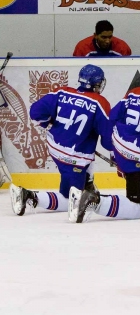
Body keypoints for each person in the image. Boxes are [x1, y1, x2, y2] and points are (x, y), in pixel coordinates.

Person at [68, 65, 140, 223]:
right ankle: (93, 201)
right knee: (138, 208)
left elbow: (113, 117)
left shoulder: (135, 92)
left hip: (120, 147)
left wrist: (113, 150)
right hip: (138, 156)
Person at [10, 64, 112, 216]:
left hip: (55, 147)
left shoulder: (62, 91)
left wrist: (48, 123)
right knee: (72, 200)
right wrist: (114, 152)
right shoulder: (100, 102)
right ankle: (27, 195)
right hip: (74, 157)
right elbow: (107, 137)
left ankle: (87, 182)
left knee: (81, 170)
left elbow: (36, 112)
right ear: (98, 83)